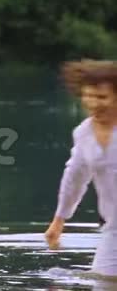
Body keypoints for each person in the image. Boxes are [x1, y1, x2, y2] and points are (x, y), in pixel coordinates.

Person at [45, 59, 117, 277]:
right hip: (114, 228)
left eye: (102, 97)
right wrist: (59, 221)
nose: (94, 103)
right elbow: (74, 178)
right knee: (104, 281)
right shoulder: (83, 133)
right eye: (88, 96)